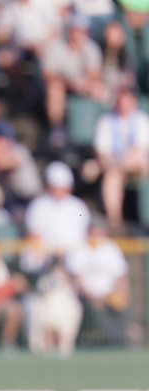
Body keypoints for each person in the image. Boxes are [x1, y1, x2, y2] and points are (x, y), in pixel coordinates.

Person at [41, 14, 104, 148]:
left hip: (84, 84)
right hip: (64, 84)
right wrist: (69, 82)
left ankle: (97, 129)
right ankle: (56, 128)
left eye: (82, 31)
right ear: (69, 31)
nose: (78, 34)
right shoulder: (56, 47)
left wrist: (83, 83)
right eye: (75, 30)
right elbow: (47, 73)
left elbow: (94, 74)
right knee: (54, 89)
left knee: (99, 90)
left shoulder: (91, 48)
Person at [66, 219, 130, 346]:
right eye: (94, 232)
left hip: (109, 294)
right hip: (88, 296)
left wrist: (119, 292)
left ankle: (119, 342)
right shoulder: (78, 249)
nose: (97, 235)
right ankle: (108, 342)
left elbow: (121, 276)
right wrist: (92, 297)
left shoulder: (111, 247)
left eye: (100, 232)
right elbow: (77, 279)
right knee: (96, 309)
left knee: (121, 303)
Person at [93, 88, 149, 229]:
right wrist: (113, 164)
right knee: (111, 175)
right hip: (114, 165)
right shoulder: (106, 121)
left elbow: (138, 150)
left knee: (116, 169)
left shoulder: (142, 119)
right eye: (121, 101)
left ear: (133, 103)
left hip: (137, 163)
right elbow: (102, 152)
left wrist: (116, 163)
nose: (124, 105)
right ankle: (114, 220)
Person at [24, 161, 91, 253]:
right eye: (56, 187)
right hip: (46, 253)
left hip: (76, 254)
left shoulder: (78, 206)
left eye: (63, 188)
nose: (59, 191)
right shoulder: (39, 205)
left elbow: (86, 233)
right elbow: (33, 235)